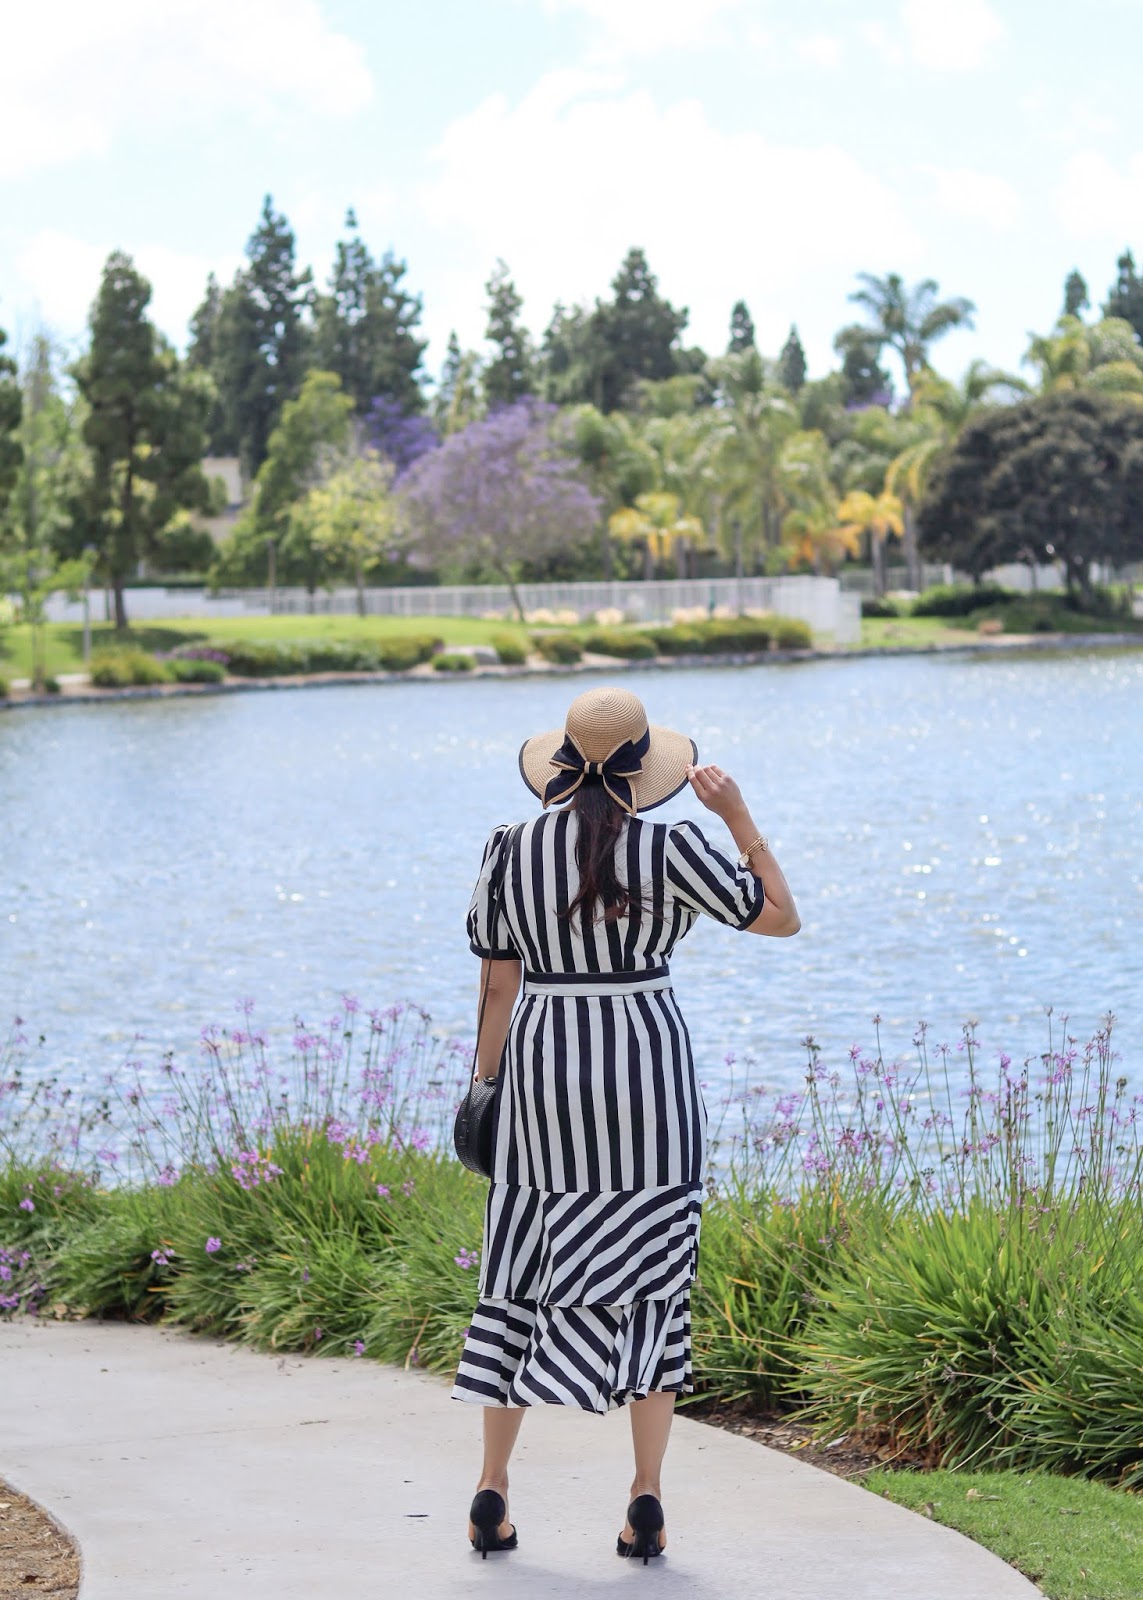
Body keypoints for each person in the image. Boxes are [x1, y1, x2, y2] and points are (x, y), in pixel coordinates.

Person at [452, 685, 800, 1562]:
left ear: (558, 764)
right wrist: (739, 817)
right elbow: (781, 918)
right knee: (652, 1272)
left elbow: (497, 984)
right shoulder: (673, 846)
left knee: (519, 1270)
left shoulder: (508, 848)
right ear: (650, 770)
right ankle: (645, 1495)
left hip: (541, 1072)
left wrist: (484, 1084)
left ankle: (492, 1490)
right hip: (646, 1069)